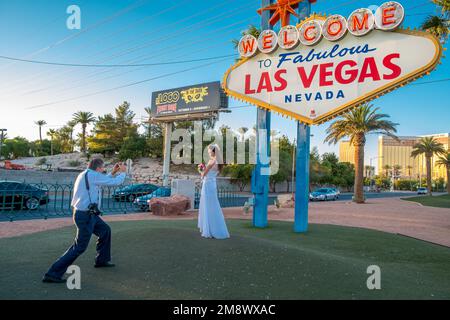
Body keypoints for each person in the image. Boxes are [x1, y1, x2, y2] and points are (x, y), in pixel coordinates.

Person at [42, 158, 127, 283]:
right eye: (103, 168)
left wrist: (113, 172)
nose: (103, 170)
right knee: (79, 246)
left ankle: (101, 260)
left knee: (105, 231)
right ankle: (53, 273)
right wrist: (123, 172)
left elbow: (103, 180)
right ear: (98, 168)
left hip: (88, 214)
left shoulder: (87, 174)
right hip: (85, 215)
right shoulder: (93, 175)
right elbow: (113, 183)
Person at [197, 144, 230, 239]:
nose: (208, 152)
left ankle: (209, 229)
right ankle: (215, 227)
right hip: (212, 184)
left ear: (213, 151)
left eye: (209, 150)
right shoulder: (219, 162)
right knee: (213, 205)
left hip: (207, 185)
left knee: (207, 205)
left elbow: (204, 174)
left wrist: (200, 169)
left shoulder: (212, 161)